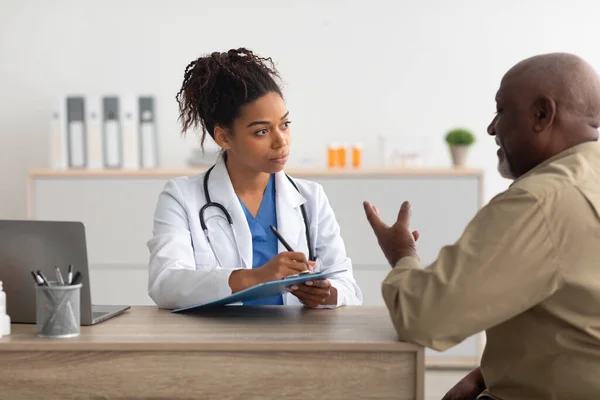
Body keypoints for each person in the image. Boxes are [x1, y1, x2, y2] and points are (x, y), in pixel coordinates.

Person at [364, 52, 600, 400]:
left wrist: (402, 255)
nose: (491, 128)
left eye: (501, 110)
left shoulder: (539, 201)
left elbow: (423, 318)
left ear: (542, 114)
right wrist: (485, 375)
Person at [147, 48, 362, 310]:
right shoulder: (182, 196)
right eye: (261, 131)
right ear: (224, 138)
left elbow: (348, 288)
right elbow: (166, 284)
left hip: (298, 343)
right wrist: (257, 278)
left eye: (284, 124)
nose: (280, 141)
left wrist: (326, 294)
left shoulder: (311, 198)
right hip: (219, 345)